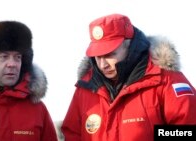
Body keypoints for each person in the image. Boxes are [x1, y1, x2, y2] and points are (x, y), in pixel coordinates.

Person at [61, 13, 196, 141]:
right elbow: (73, 134)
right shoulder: (85, 88)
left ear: (130, 45)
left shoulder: (166, 80)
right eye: (97, 56)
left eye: (110, 54)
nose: (103, 65)